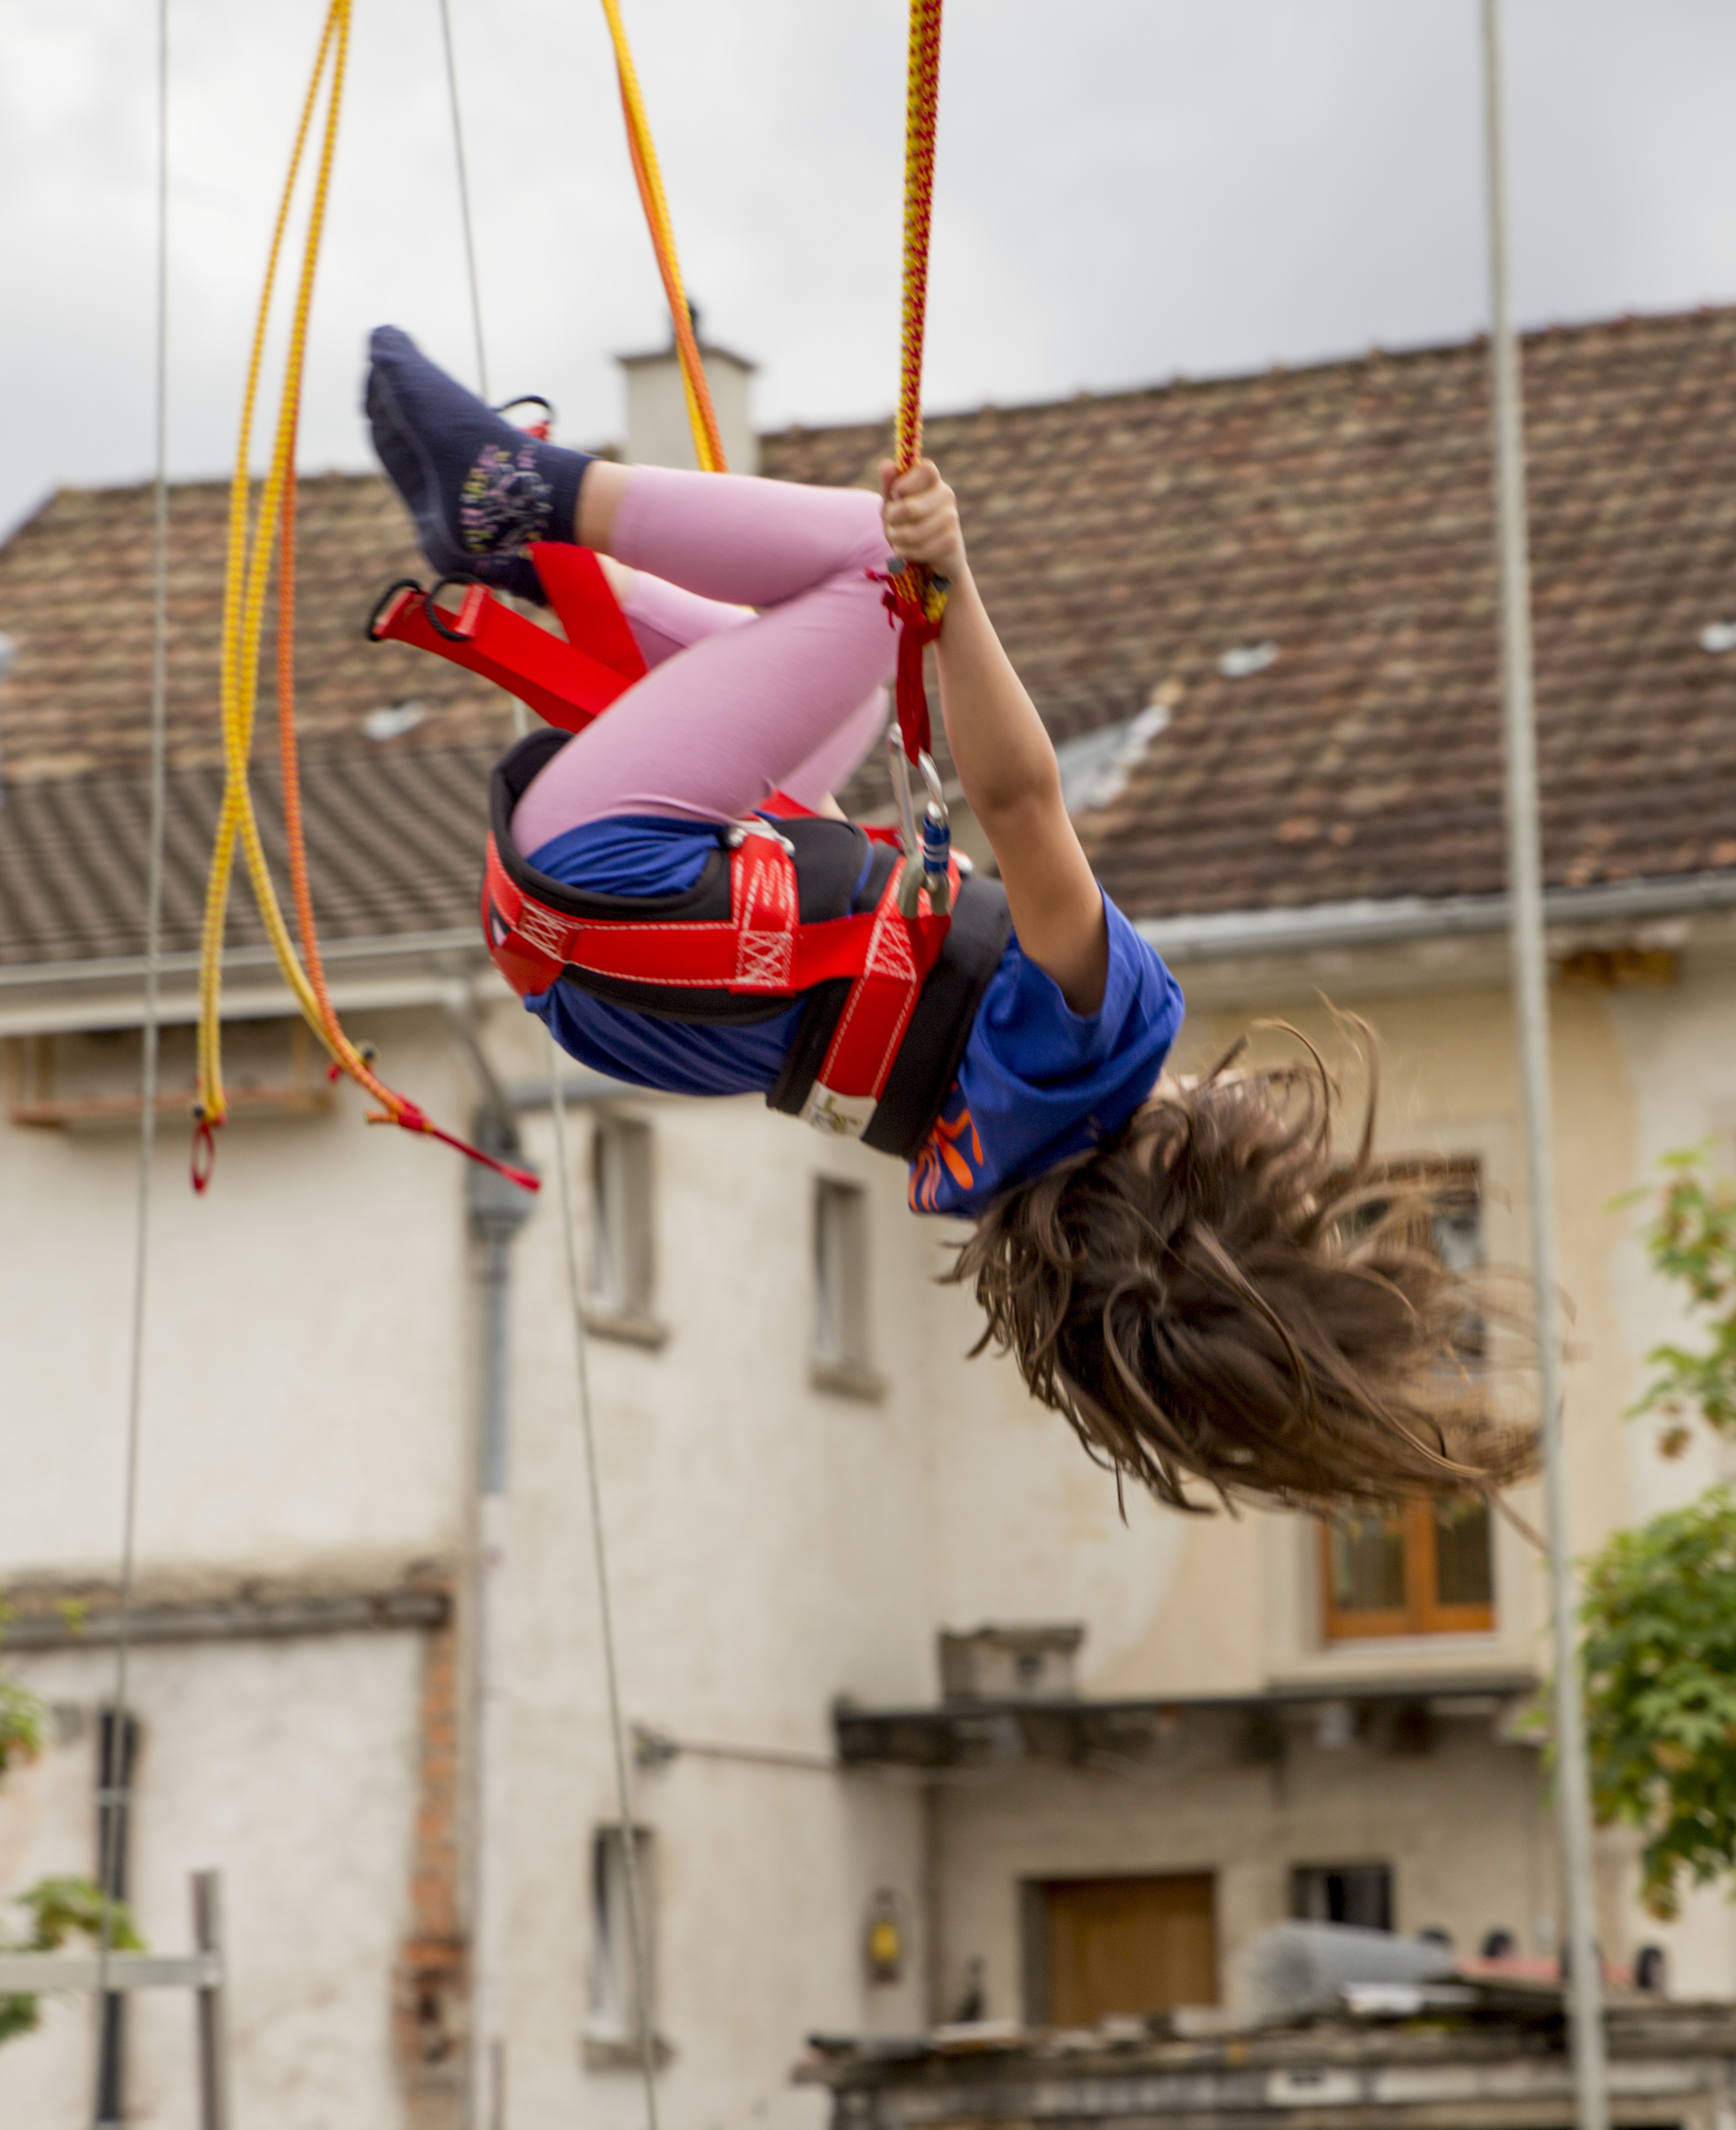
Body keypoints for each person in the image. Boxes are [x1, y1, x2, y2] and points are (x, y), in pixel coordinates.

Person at [366, 327, 1531, 1514]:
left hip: (611, 865)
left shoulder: (1109, 1031)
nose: (1267, 1111)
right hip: (572, 959)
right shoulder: (987, 1168)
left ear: (1192, 1164)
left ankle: (519, 499)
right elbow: (808, 962)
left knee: (878, 573)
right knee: (841, 701)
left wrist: (955, 590)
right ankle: (544, 566)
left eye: (1279, 1168)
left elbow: (1023, 804)